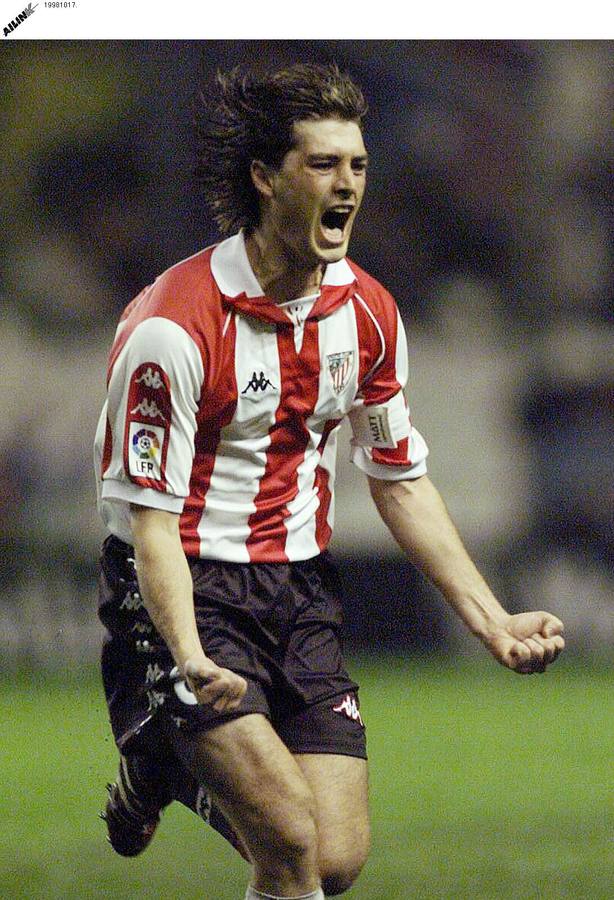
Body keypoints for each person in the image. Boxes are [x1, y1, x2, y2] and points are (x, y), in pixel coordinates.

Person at [94, 63, 565, 900]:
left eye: (356, 165)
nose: (346, 184)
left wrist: (491, 621)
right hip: (180, 586)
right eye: (322, 165)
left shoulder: (370, 315)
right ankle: (172, 730)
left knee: (336, 859)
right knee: (289, 842)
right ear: (265, 176)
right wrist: (189, 656)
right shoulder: (174, 329)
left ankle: (164, 763)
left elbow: (400, 480)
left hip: (298, 592)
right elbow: (151, 524)